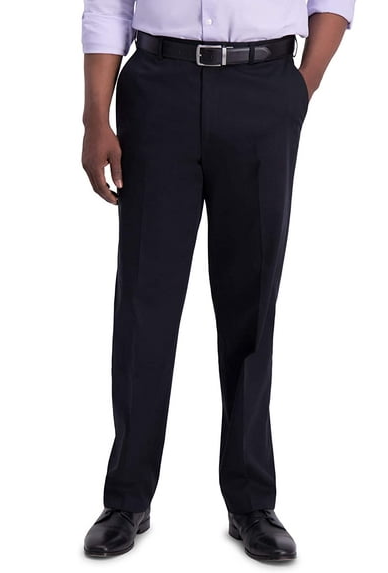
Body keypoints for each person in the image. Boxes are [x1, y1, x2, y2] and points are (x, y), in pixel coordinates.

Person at [80, 0, 355, 562]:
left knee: (251, 301)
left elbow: (332, 2)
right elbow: (108, 7)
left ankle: (252, 503)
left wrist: (302, 86)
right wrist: (95, 119)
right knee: (145, 301)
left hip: (264, 88)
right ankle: (126, 498)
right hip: (158, 89)